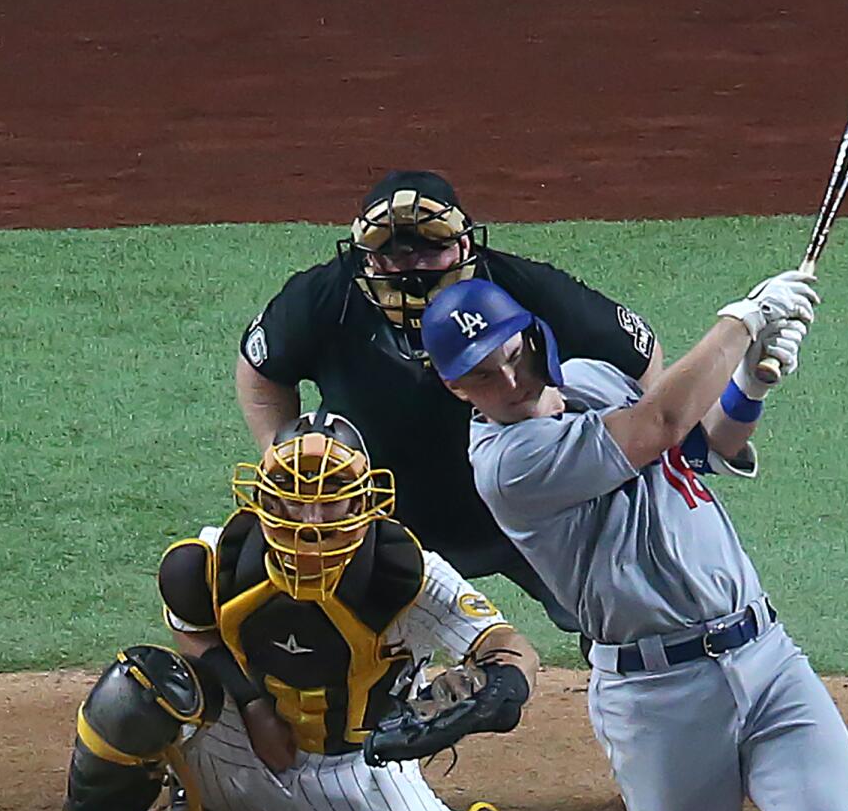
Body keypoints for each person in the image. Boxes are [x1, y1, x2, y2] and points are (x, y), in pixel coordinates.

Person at [413, 274, 848, 811]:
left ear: (529, 336)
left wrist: (751, 384)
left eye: (506, 356)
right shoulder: (507, 463)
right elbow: (656, 426)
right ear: (451, 385)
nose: (501, 382)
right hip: (657, 697)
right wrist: (743, 319)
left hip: (764, 657)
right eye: (475, 375)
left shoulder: (590, 379)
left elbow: (696, 445)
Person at [5, 412, 566, 811]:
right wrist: (251, 705)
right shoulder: (217, 559)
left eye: (331, 503)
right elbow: (194, 631)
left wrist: (500, 690)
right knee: (136, 691)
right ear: (265, 500)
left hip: (359, 772)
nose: (312, 523)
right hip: (239, 748)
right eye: (295, 503)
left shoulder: (406, 574)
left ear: (366, 504)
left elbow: (507, 645)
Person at [235, 169, 663, 632]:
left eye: (429, 248)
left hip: (526, 510)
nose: (410, 267)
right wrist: (287, 460)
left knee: (624, 623)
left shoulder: (523, 289)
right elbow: (260, 370)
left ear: (463, 246)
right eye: (392, 253)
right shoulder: (324, 296)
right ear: (365, 257)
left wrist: (613, 460)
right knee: (327, 637)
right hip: (380, 518)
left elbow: (638, 356)